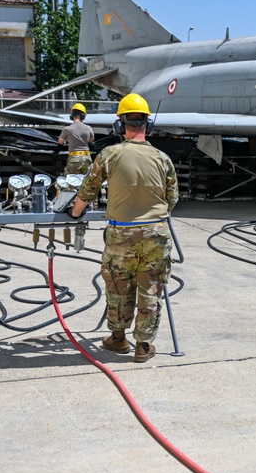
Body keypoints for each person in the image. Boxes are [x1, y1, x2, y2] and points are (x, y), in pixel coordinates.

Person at [70, 93, 179, 363]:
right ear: (148, 125)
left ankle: (118, 338)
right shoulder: (163, 158)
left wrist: (75, 213)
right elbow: (173, 198)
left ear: (120, 125)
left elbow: (88, 190)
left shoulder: (110, 154)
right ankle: (143, 346)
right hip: (156, 233)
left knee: (119, 286)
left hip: (121, 234)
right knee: (151, 288)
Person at [59, 102, 96, 175]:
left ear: (72, 116)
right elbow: (91, 140)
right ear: (83, 116)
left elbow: (60, 142)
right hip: (86, 158)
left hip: (74, 158)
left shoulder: (67, 129)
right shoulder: (88, 128)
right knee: (86, 180)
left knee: (72, 180)